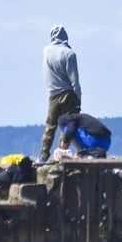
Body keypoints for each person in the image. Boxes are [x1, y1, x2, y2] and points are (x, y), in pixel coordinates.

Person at [39, 25, 82, 163]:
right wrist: (78, 96)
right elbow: (74, 79)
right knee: (67, 127)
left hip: (52, 94)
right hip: (68, 94)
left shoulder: (46, 51)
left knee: (50, 126)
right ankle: (60, 155)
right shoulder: (69, 53)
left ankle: (43, 155)